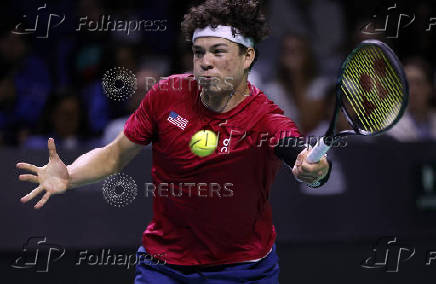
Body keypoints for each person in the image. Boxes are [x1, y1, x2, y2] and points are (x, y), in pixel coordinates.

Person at [16, 1, 331, 283]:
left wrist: (314, 169)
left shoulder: (266, 117)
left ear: (247, 56)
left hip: (243, 270)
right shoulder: (166, 95)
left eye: (218, 51)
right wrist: (70, 175)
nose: (205, 62)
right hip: (164, 268)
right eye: (198, 52)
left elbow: (303, 156)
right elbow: (114, 157)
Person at [387, 57, 436, 141]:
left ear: (430, 88)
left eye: (418, 83)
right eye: (407, 83)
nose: (412, 91)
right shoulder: (390, 125)